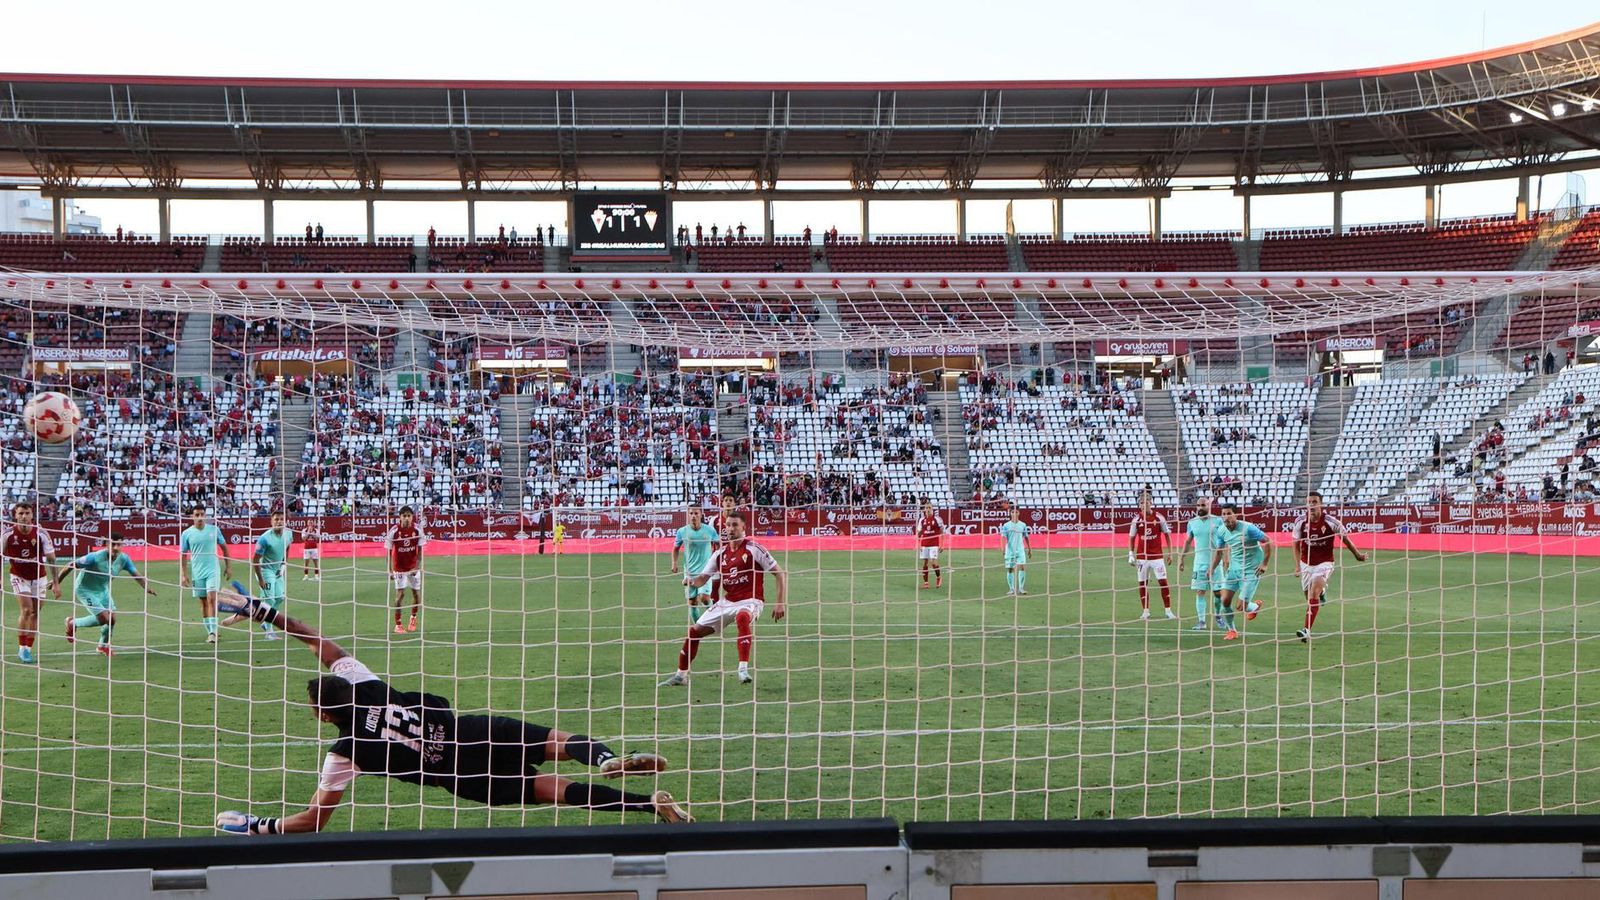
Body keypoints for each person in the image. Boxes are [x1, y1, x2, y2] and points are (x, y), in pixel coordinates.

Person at [213, 589, 689, 834]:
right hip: (471, 731)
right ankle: (605, 756)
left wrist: (256, 825)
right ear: (346, 682)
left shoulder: (344, 753)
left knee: (559, 792)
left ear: (323, 716)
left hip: (461, 776)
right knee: (557, 742)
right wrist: (265, 612)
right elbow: (315, 638)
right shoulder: (365, 683)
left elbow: (313, 820)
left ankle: (651, 805)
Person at [660, 512, 786, 687]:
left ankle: (743, 669)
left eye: (735, 525)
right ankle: (681, 676)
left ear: (743, 528)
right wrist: (691, 581)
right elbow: (702, 579)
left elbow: (779, 573)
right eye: (728, 525)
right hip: (727, 602)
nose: (730, 528)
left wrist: (780, 603)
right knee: (694, 632)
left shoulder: (754, 549)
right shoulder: (720, 554)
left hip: (751, 600)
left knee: (742, 617)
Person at [52, 532, 158, 657]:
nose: (116, 548)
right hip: (85, 589)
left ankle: (102, 646)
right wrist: (56, 582)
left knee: (112, 619)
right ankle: (72, 623)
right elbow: (70, 565)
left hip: (103, 590)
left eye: (119, 544)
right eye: (113, 544)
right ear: (107, 544)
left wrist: (146, 587)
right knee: (103, 619)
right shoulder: (95, 557)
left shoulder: (124, 559)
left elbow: (135, 574)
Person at [1290, 491, 1366, 643]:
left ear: (1321, 504)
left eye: (1314, 502)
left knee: (1313, 594)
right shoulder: (1300, 522)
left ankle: (1306, 630)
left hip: (1324, 563)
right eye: (1309, 502)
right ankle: (1323, 591)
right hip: (1306, 563)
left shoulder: (1331, 522)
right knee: (1309, 597)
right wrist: (1297, 566)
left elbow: (1345, 539)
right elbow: (1295, 544)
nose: (1311, 505)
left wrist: (1357, 555)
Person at [3, 502, 61, 663]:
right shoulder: (7, 534)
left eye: (27, 513)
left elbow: (51, 559)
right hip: (19, 576)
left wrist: (56, 583)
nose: (24, 516)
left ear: (32, 515)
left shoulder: (41, 533)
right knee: (27, 610)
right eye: (20, 513)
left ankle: (28, 649)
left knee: (35, 612)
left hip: (39, 577)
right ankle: (21, 648)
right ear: (15, 515)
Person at [1206, 503, 1270, 642]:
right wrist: (1212, 568)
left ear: (1236, 515)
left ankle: (1254, 607)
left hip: (1251, 571)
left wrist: (1264, 564)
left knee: (1240, 607)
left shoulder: (1248, 528)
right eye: (1223, 514)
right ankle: (1232, 631)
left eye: (1229, 513)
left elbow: (1267, 541)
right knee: (1225, 600)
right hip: (1233, 571)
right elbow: (1219, 552)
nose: (1226, 517)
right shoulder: (1221, 531)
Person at [222, 510, 291, 638]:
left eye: (281, 519)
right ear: (271, 521)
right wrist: (260, 579)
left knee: (280, 598)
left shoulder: (288, 534)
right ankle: (269, 631)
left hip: (277, 571)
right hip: (265, 571)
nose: (279, 521)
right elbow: (255, 560)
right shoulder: (264, 539)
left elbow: (287, 547)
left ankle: (264, 621)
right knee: (269, 600)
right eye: (276, 519)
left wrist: (283, 564)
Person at [179, 507, 232, 644]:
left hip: (212, 570)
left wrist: (228, 566)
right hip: (197, 572)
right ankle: (210, 632)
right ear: (192, 516)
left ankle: (213, 632)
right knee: (203, 602)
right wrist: (183, 575)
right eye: (197, 514)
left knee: (212, 598)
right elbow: (183, 555)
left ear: (206, 515)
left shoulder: (214, 530)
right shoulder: (186, 533)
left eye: (202, 514)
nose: (200, 517)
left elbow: (224, 547)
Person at [1127, 492, 1175, 621]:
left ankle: (1168, 611)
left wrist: (1170, 553)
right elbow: (1132, 538)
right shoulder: (1136, 520)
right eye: (1141, 503)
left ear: (1151, 503)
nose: (1143, 505)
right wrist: (1131, 554)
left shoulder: (1159, 517)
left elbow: (1167, 535)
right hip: (1142, 558)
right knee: (1143, 584)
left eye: (1146, 503)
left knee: (1163, 582)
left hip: (1157, 557)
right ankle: (1145, 612)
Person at [1175, 498, 1220, 631]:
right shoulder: (1192, 522)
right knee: (1200, 592)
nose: (1200, 508)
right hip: (1199, 563)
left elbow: (1225, 541)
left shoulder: (1218, 520)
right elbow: (1188, 541)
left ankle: (1218, 616)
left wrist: (1227, 559)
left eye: (1203, 505)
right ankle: (1201, 621)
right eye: (1198, 505)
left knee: (1218, 593)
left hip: (1216, 562)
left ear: (1209, 505)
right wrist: (1182, 558)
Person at [671, 506, 720, 624]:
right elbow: (676, 548)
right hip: (689, 571)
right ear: (688, 515)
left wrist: (717, 559)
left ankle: (716, 620)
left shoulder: (710, 530)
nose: (693, 516)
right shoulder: (682, 531)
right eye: (691, 513)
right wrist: (674, 563)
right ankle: (699, 627)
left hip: (706, 570)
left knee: (704, 598)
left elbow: (718, 544)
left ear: (701, 514)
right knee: (692, 602)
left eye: (696, 513)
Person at [386, 506, 427, 634]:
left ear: (412, 517)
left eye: (409, 516)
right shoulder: (394, 531)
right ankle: (398, 624)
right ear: (400, 517)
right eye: (404, 516)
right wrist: (389, 570)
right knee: (400, 595)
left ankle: (413, 618)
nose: (407, 518)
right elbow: (388, 552)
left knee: (416, 595)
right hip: (399, 568)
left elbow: (420, 552)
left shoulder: (418, 530)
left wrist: (417, 567)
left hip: (413, 567)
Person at [1000, 506, 1031, 596]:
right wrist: (1003, 549)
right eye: (1012, 512)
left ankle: (1021, 588)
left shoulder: (1023, 525)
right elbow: (1003, 537)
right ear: (1010, 513)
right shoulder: (1006, 525)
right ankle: (1011, 589)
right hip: (1010, 550)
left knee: (1022, 567)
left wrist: (1029, 548)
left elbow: (1026, 537)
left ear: (1019, 513)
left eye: (1016, 512)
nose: (1014, 514)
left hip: (1020, 550)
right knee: (1010, 569)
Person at [915, 499, 946, 589]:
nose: (928, 509)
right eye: (926, 508)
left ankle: (938, 577)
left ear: (932, 509)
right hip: (924, 543)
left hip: (934, 543)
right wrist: (919, 544)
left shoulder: (937, 519)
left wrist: (942, 544)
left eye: (929, 508)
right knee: (925, 563)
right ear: (924, 509)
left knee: (933, 563)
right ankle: (926, 582)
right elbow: (919, 534)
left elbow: (942, 532)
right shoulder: (922, 520)